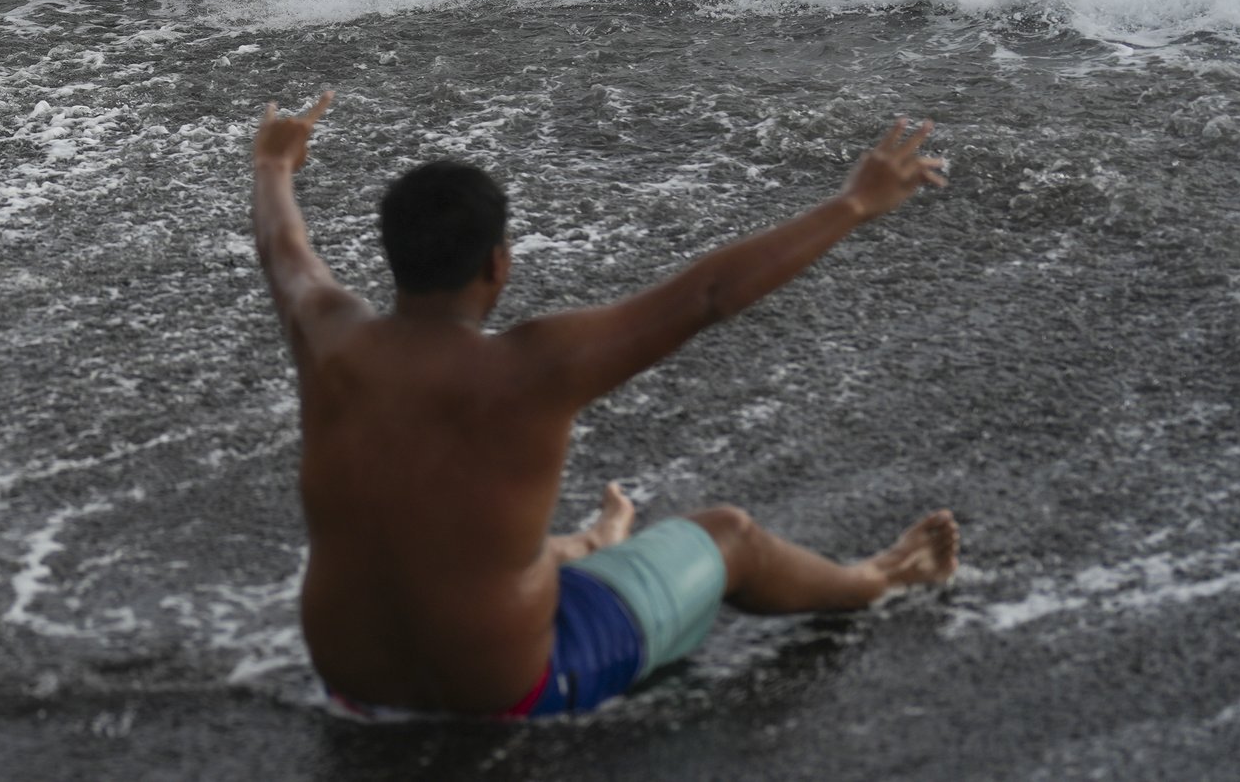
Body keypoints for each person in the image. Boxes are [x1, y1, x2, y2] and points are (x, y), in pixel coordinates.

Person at [247, 91, 960, 717]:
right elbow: (709, 295)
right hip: (509, 689)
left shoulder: (328, 336)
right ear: (499, 263)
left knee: (480, 544)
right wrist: (855, 200)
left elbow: (285, 244)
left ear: (393, 254)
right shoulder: (533, 365)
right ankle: (880, 578)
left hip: (353, 683)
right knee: (730, 535)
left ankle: (592, 544)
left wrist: (275, 162)